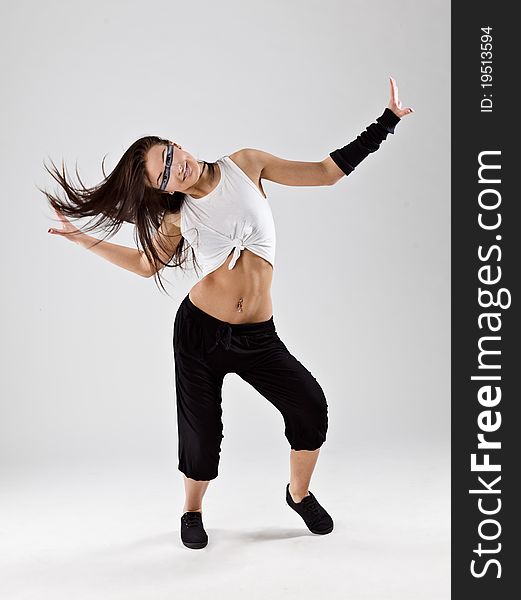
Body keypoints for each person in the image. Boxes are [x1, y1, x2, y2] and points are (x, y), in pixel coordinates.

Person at [44, 76, 413, 550]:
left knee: (310, 406)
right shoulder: (177, 216)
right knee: (202, 438)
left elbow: (326, 172)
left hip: (258, 336)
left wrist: (385, 123)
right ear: (161, 188)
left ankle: (298, 495)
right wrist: (82, 238)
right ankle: (191, 510)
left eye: (170, 156)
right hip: (200, 334)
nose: (177, 170)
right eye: (164, 176)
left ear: (175, 143)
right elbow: (144, 264)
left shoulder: (247, 165)